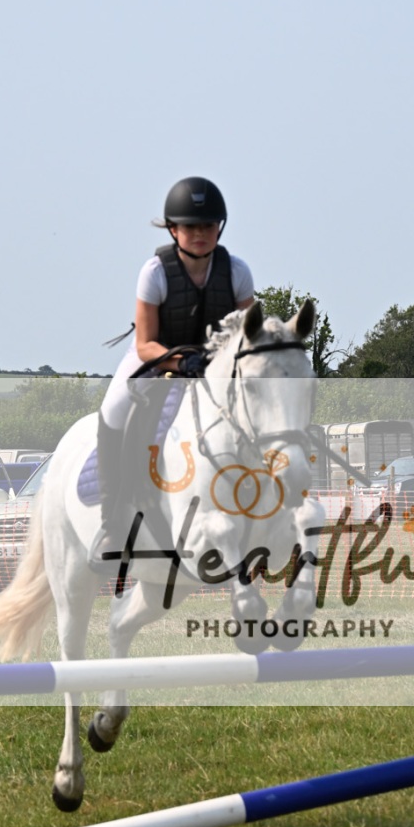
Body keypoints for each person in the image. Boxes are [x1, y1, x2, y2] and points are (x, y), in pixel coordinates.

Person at [89, 176, 257, 568]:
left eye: (208, 225)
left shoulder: (237, 272)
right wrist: (181, 362)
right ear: (173, 229)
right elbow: (146, 342)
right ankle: (113, 522)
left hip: (213, 365)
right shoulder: (155, 272)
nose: (200, 233)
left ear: (219, 228)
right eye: (190, 226)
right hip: (157, 356)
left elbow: (249, 337)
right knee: (113, 409)